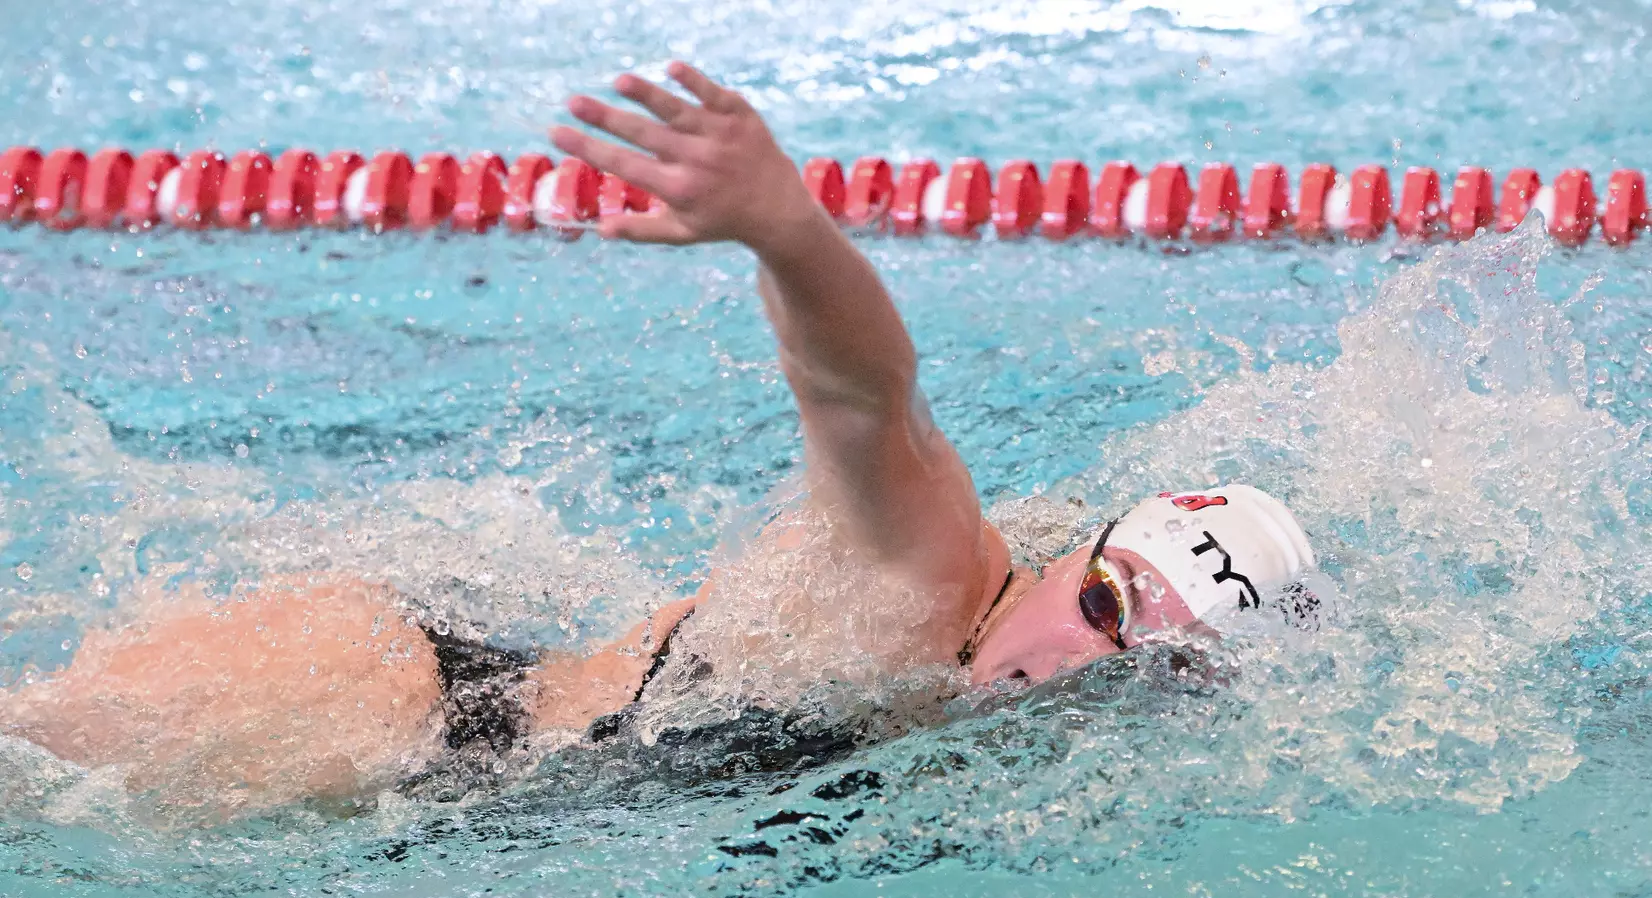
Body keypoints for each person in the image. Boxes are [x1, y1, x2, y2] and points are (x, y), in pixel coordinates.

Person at [2, 62, 1314, 820]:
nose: (1082, 666)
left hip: (461, 771)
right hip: (383, 709)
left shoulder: (1010, 725)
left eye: (1148, 674)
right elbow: (865, 396)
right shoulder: (928, 574)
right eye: (1104, 605)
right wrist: (786, 228)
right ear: (1083, 552)